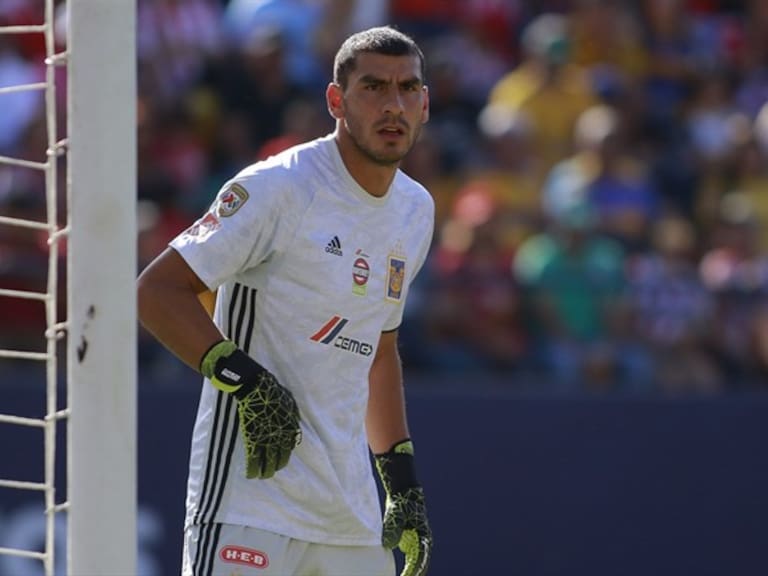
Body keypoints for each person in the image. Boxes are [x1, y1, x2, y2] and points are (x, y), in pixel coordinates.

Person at [137, 25, 434, 576]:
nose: (392, 105)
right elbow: (156, 292)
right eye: (373, 88)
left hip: (349, 515)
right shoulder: (280, 187)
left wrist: (400, 480)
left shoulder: (416, 210)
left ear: (424, 104)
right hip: (249, 500)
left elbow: (379, 350)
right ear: (335, 100)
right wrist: (246, 382)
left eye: (407, 89)